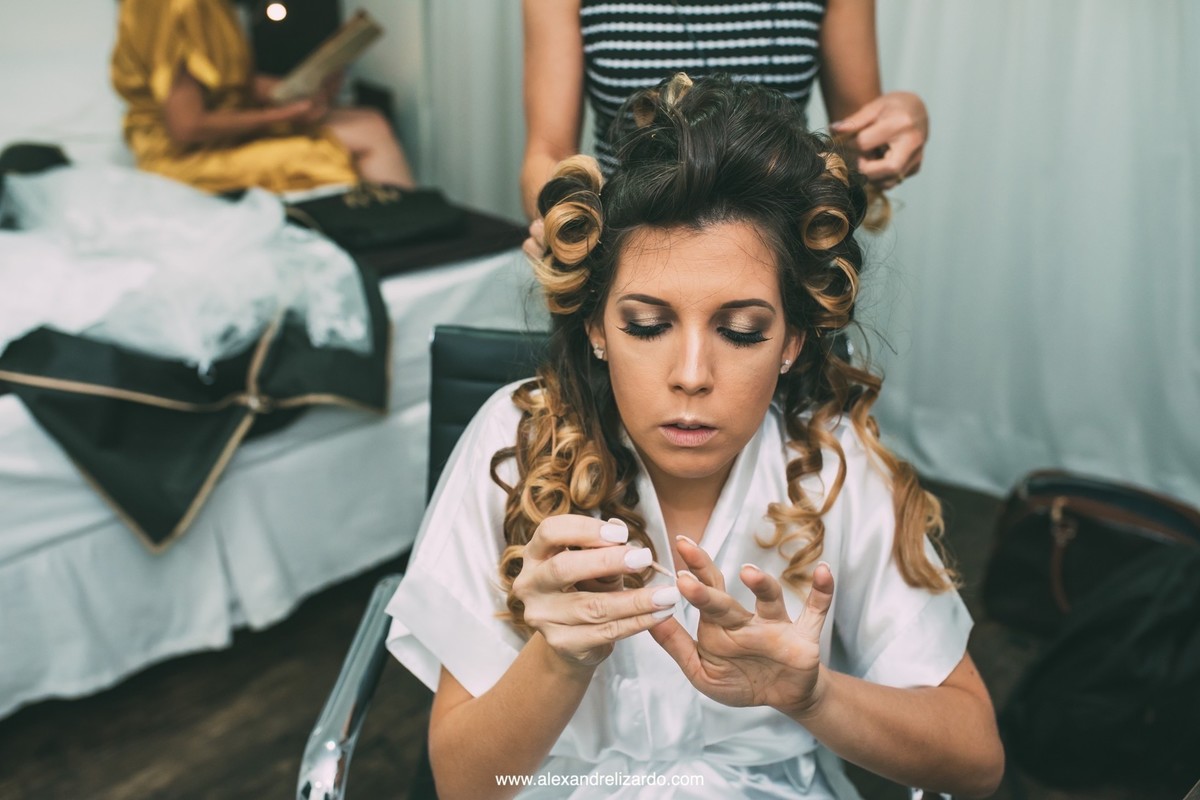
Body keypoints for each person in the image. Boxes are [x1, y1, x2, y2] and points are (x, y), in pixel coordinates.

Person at [386, 74, 1004, 798]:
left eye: (741, 332)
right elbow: (466, 785)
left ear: (793, 341)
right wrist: (559, 658)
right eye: (647, 326)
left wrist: (813, 698)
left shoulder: (830, 461)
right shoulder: (513, 439)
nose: (690, 375)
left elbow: (976, 758)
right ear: (595, 327)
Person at [520, 0, 927, 255]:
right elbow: (549, 150)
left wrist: (901, 120)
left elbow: (857, 146)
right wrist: (569, 224)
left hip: (779, 256)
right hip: (625, 254)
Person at [111, 0, 414, 194]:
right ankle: (406, 241)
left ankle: (411, 228)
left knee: (368, 121)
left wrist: (298, 88)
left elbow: (222, 79)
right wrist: (283, 116)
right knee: (366, 137)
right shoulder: (171, 7)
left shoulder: (214, 8)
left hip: (222, 134)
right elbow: (187, 126)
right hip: (184, 157)